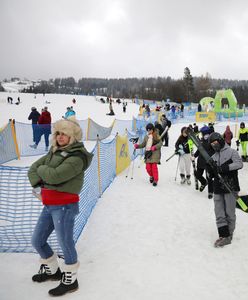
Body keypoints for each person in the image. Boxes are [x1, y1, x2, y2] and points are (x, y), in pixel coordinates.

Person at [28, 116, 93, 296]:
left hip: (65, 206)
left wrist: (44, 173)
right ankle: (53, 270)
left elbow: (55, 176)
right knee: (37, 240)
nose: (60, 137)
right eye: (57, 133)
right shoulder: (54, 152)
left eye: (64, 134)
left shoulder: (77, 157)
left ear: (72, 136)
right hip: (49, 204)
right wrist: (43, 176)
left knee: (65, 242)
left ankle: (71, 280)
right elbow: (32, 168)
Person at [208, 132, 243, 247]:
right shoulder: (213, 156)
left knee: (229, 212)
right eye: (212, 144)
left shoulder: (232, 152)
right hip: (218, 187)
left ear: (220, 140)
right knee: (219, 211)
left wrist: (225, 167)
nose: (214, 145)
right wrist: (210, 172)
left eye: (215, 142)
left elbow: (239, 164)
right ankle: (223, 234)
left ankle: (229, 234)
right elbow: (211, 174)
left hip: (230, 186)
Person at [192, 126, 215, 199]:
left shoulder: (212, 141)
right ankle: (204, 182)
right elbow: (199, 150)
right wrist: (194, 156)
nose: (202, 134)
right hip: (201, 161)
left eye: (203, 133)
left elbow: (215, 151)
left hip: (208, 162)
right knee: (197, 174)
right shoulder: (201, 141)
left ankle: (210, 192)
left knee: (209, 177)